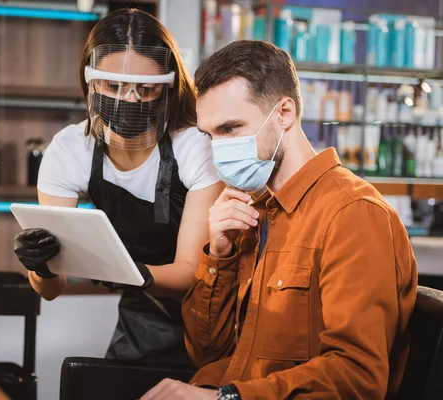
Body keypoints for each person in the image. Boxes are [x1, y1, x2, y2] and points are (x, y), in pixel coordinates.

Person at [143, 41, 417, 399]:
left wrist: (225, 398)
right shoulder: (250, 211)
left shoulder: (353, 214)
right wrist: (219, 257)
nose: (218, 150)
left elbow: (357, 377)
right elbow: (205, 352)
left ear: (284, 113)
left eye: (230, 129)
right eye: (210, 135)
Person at [13, 9, 223, 365]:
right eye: (113, 86)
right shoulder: (70, 151)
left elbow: (192, 271)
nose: (129, 100)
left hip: (212, 316)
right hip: (143, 319)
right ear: (91, 81)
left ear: (168, 87)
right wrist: (41, 267)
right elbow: (51, 290)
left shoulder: (195, 147)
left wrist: (130, 273)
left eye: (146, 89)